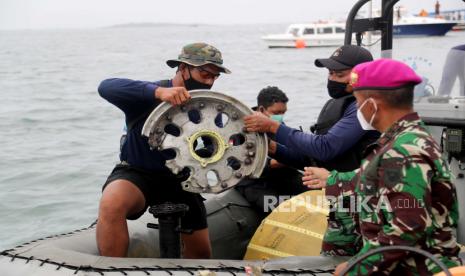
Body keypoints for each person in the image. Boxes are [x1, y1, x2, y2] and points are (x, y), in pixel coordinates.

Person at [303, 59, 460, 275]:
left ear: (373, 103)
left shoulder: (404, 150)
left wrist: (354, 269)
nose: (358, 108)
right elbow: (376, 183)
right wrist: (332, 179)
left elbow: (405, 229)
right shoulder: (403, 141)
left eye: (358, 101)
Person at [96, 42, 231, 258]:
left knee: (201, 255)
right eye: (204, 73)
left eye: (215, 76)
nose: (209, 81)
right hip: (139, 174)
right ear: (183, 68)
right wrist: (159, 92)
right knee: (112, 203)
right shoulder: (148, 95)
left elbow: (211, 148)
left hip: (180, 178)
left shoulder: (207, 107)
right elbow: (106, 86)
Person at [243, 45, 379, 256]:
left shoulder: (363, 108)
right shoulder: (338, 105)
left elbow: (325, 148)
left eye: (339, 74)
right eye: (330, 73)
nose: (332, 79)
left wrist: (273, 127)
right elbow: (312, 158)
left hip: (360, 201)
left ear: (359, 76)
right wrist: (272, 147)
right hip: (337, 201)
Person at [236, 86, 306, 217]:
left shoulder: (279, 125)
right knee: (278, 210)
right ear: (261, 109)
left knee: (317, 192)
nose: (280, 116)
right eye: (277, 113)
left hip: (283, 175)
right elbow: (236, 165)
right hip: (254, 181)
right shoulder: (240, 128)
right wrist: (272, 163)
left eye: (283, 112)